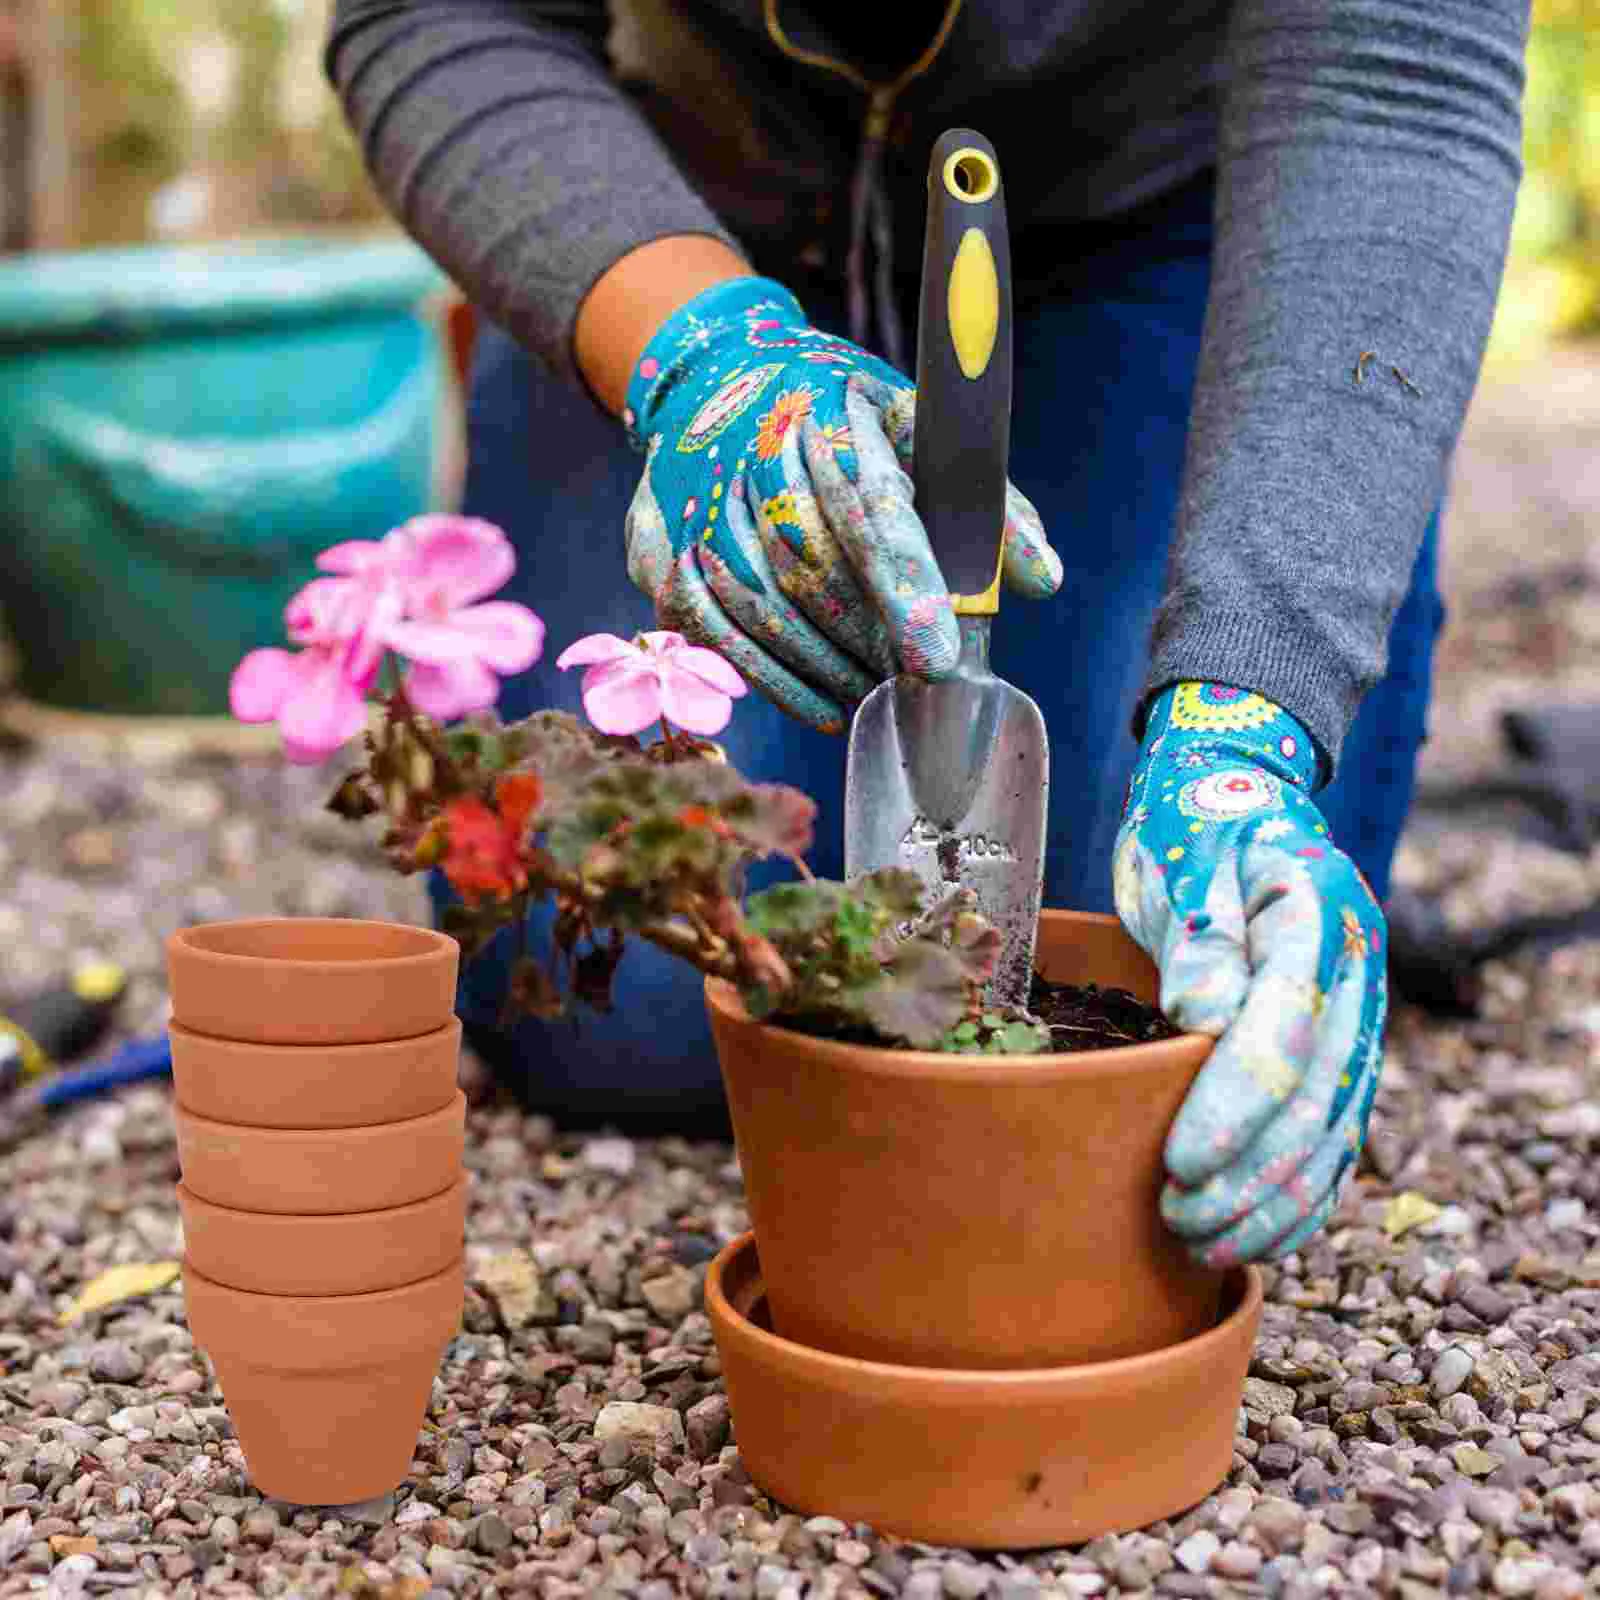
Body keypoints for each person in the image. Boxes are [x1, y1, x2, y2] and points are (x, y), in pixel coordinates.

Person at [325, 0, 1529, 1265]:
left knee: (1163, 992)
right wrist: (702, 358)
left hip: (1172, 230)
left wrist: (1248, 700)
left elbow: (1398, 78)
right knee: (628, 996)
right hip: (671, 220)